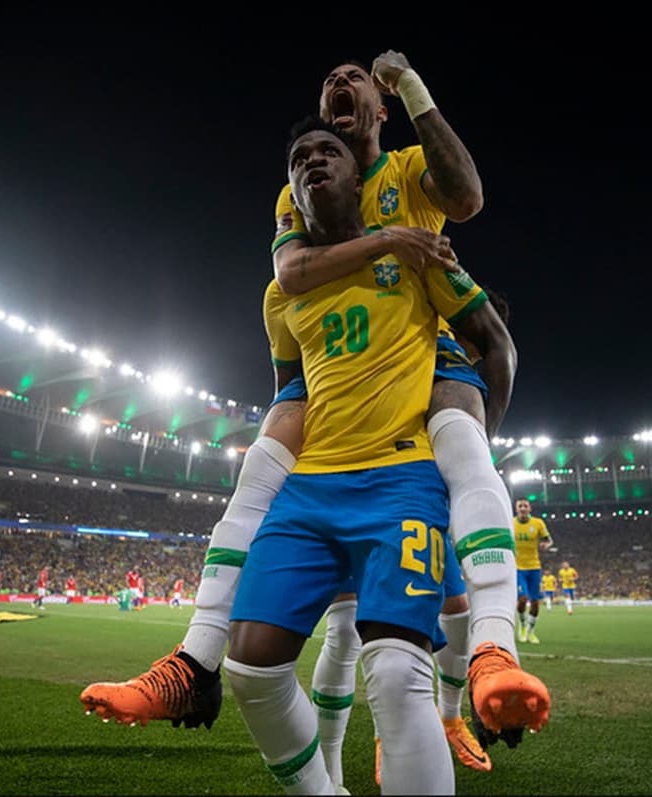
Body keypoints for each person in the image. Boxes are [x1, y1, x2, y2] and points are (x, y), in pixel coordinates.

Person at [81, 51, 540, 766]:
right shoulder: (296, 208)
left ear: (378, 112)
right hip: (334, 417)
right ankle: (199, 663)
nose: (336, 84)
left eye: (352, 77)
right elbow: (289, 277)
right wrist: (386, 238)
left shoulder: (408, 171)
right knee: (278, 477)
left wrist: (410, 86)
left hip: (418, 364)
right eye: (327, 82)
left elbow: (469, 200)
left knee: (411, 619)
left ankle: (485, 660)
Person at [223, 117, 544, 795]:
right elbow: (287, 391)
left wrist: (468, 442)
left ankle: (488, 657)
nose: (314, 161)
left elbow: (495, 342)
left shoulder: (417, 256)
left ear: (357, 175)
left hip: (401, 477)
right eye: (299, 157)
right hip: (311, 489)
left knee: (397, 675)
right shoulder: (283, 293)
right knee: (248, 667)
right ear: (290, 195)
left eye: (328, 151)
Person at [513, 499, 552, 644]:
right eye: (520, 506)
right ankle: (522, 626)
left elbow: (549, 540)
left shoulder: (538, 523)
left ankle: (530, 632)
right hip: (518, 568)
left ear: (530, 509)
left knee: (535, 603)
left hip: (534, 566)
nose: (523, 508)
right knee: (522, 599)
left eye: (525, 506)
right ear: (516, 509)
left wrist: (545, 545)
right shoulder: (511, 523)